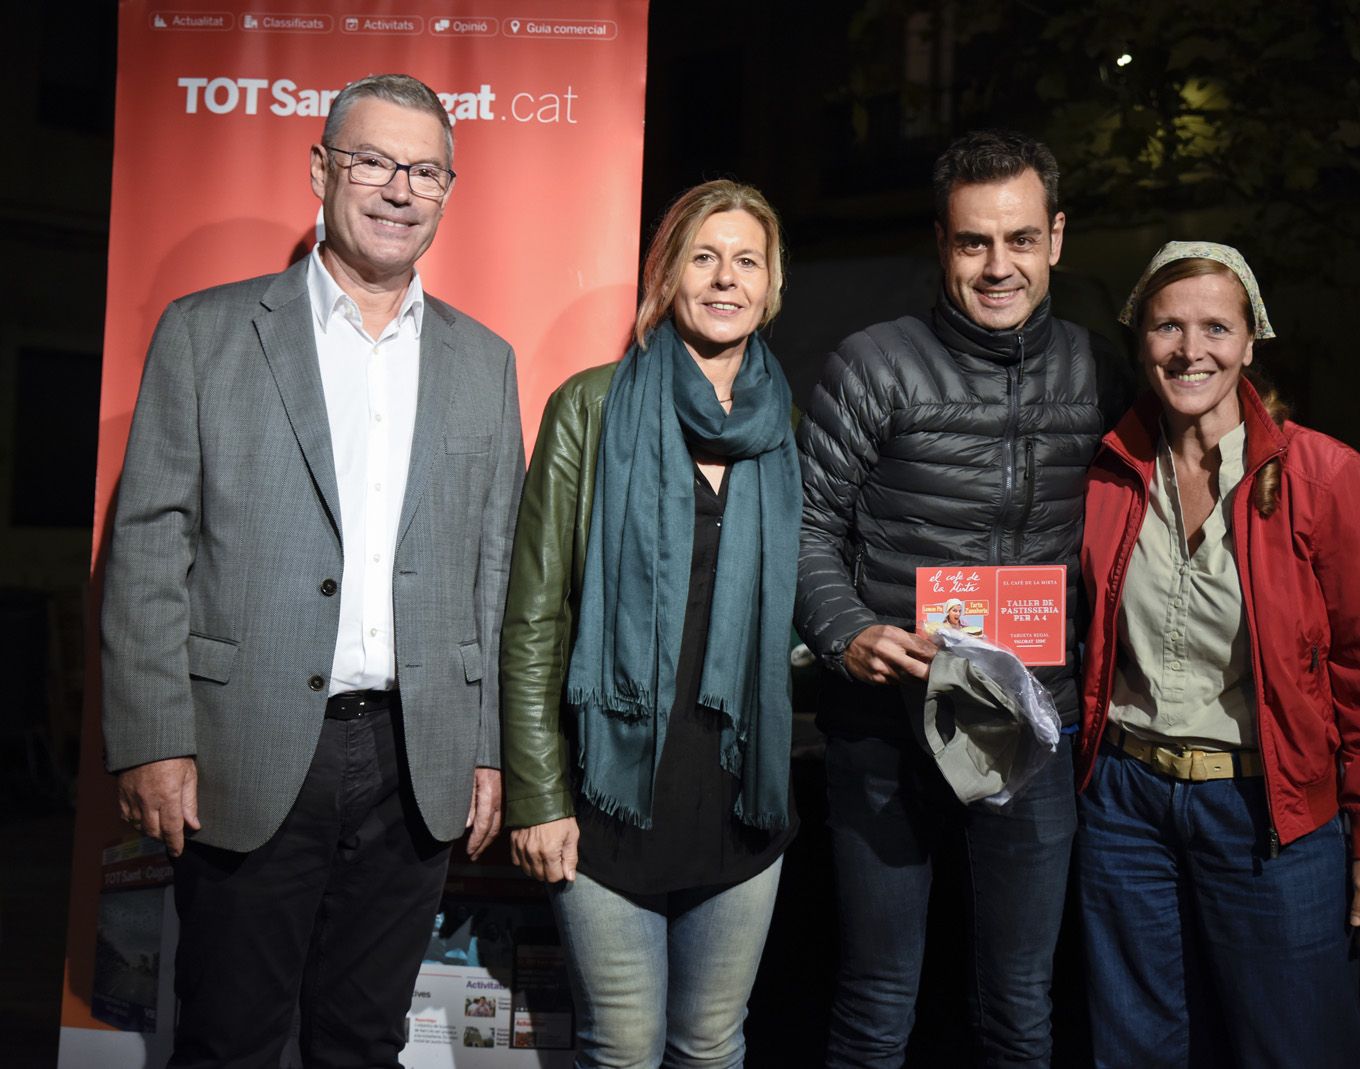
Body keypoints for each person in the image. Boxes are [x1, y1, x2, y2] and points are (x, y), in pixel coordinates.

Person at [100, 73, 523, 1066]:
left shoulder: (484, 360)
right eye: (373, 161)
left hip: (414, 760)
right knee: (229, 1039)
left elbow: (495, 566)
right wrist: (152, 734)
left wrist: (490, 744)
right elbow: (150, 542)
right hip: (243, 749)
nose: (398, 189)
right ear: (321, 170)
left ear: (448, 191)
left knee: (363, 1042)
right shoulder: (206, 333)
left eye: (424, 170)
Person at [795, 130, 1128, 1068]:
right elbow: (805, 525)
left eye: (1020, 239)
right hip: (885, 726)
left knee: (1020, 1007)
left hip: (1035, 726)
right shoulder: (872, 364)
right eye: (974, 242)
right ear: (941, 243)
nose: (998, 266)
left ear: (1056, 238)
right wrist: (846, 630)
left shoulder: (1100, 373)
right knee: (874, 1003)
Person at [1075, 241, 1360, 1068]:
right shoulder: (1102, 470)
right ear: (1141, 339)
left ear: (1250, 341)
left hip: (1272, 806)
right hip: (1122, 802)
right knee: (1135, 1048)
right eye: (1168, 327)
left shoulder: (1325, 476)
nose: (1191, 350)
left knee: (1297, 1047)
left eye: (1215, 328)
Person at [500, 179, 799, 1068]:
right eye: (703, 257)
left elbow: (799, 605)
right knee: (624, 1048)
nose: (724, 279)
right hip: (609, 793)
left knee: (711, 1044)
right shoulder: (589, 407)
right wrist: (539, 796)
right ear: (667, 275)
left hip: (741, 795)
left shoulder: (787, 425)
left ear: (771, 284)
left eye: (746, 260)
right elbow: (533, 620)